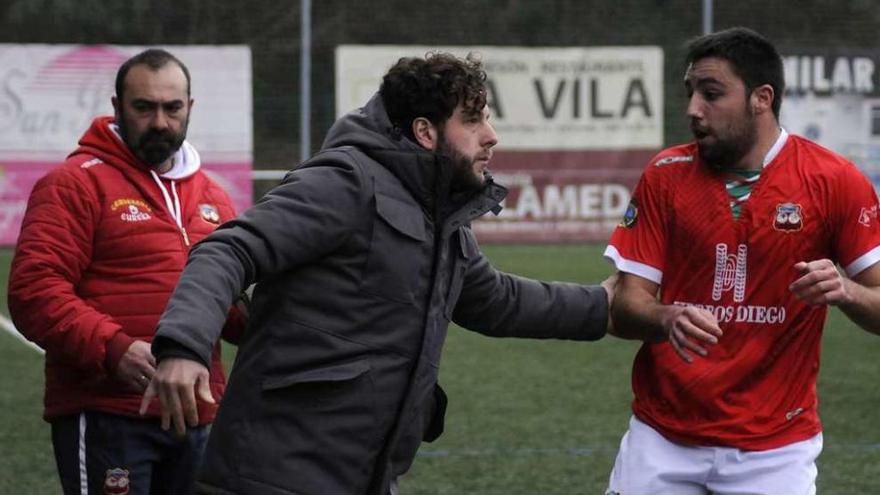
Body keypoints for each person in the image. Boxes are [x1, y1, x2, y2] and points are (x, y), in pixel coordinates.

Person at [142, 51, 613, 495]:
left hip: (361, 476)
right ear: (425, 132)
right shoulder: (346, 180)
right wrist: (185, 347)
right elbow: (228, 249)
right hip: (274, 475)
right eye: (473, 120)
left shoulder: (440, 216)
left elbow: (497, 300)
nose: (491, 135)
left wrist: (607, 306)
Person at [603, 26, 880, 495]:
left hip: (776, 450)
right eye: (691, 92)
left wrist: (846, 291)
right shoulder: (665, 176)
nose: (693, 108)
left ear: (762, 98)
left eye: (711, 94)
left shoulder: (835, 180)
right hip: (663, 436)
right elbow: (625, 307)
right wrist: (665, 316)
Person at [8, 49, 245, 495]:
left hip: (197, 414)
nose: (160, 122)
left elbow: (228, 306)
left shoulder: (214, 194)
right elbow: (33, 291)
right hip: (107, 415)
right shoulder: (75, 183)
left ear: (189, 109)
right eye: (144, 107)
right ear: (117, 109)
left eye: (172, 108)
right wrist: (114, 349)